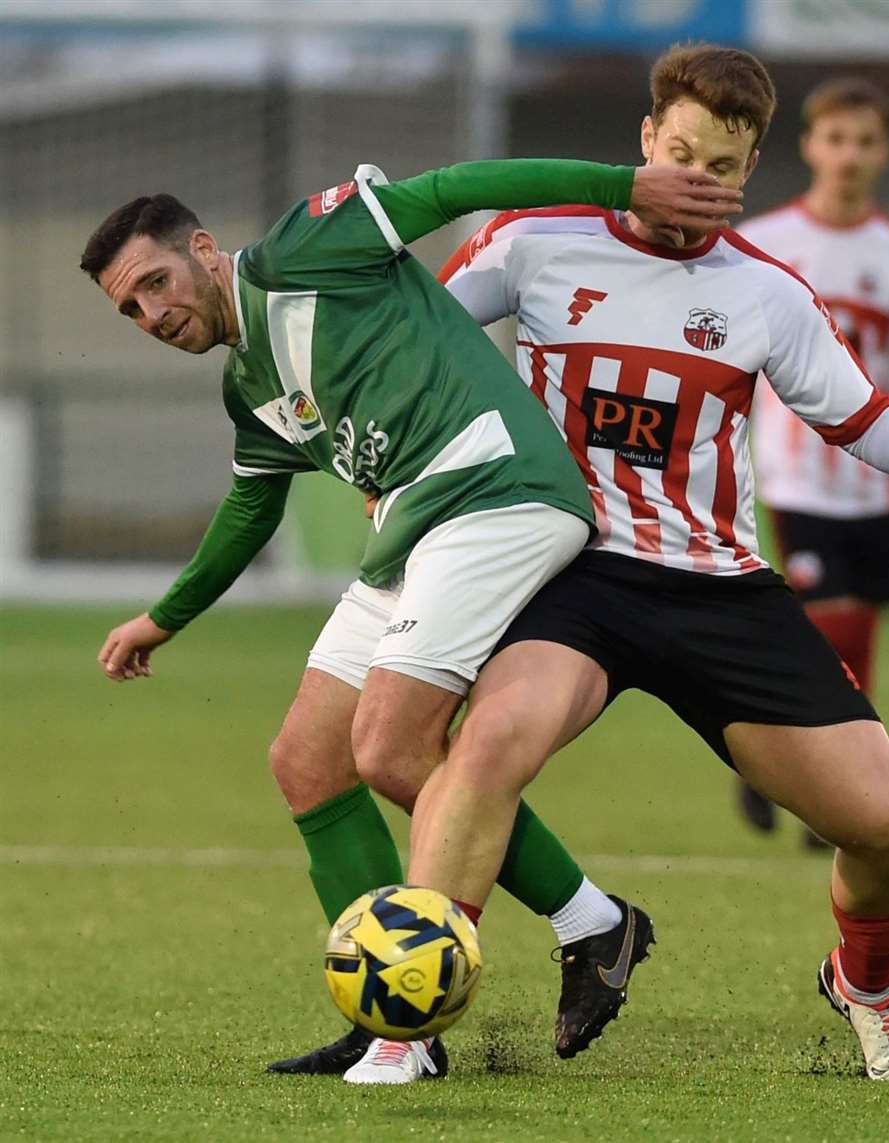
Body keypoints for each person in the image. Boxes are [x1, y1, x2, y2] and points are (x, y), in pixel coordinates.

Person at [394, 43, 889, 1084]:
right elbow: (410, 343)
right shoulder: (531, 242)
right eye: (680, 156)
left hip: (718, 588)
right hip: (572, 578)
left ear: (751, 168)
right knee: (485, 750)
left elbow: (866, 422)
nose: (697, 187)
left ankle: (865, 989)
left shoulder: (765, 293)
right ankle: (406, 1025)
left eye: (721, 171)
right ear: (646, 140)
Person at [82, 158, 741, 1084]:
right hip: (411, 528)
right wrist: (166, 615)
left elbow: (453, 188)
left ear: (202, 250)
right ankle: (413, 1003)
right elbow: (249, 508)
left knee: (391, 745)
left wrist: (623, 185)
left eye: (154, 284)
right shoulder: (248, 386)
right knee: (307, 761)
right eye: (130, 311)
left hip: (496, 489)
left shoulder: (305, 245)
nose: (152, 316)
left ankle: (517, 964)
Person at [736, 77, 889, 846]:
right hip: (795, 471)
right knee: (824, 619)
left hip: (877, 477)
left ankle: (818, 785)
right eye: (836, 138)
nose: (849, 155)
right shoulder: (766, 242)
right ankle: (785, 765)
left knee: (855, 634)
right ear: (808, 145)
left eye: (865, 141)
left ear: (885, 152)